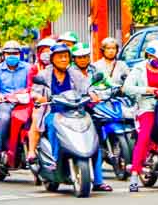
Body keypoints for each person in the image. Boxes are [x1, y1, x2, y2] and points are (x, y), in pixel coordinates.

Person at [26, 43, 112, 192]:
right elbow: (35, 91)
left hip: (76, 113)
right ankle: (54, 160)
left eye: (66, 56)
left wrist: (92, 94)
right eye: (60, 57)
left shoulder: (74, 73)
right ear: (53, 59)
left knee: (93, 138)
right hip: (52, 112)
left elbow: (87, 87)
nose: (63, 59)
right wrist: (37, 97)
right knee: (52, 125)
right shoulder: (45, 74)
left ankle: (98, 180)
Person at [123, 41, 158, 194]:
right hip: (147, 108)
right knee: (144, 137)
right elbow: (126, 88)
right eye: (157, 59)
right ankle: (134, 175)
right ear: (149, 55)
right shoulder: (139, 69)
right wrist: (147, 89)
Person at [0, 41, 30, 160]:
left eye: (15, 53)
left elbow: (32, 87)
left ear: (19, 54)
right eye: (8, 53)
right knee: (5, 119)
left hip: (24, 104)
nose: (12, 56)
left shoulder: (27, 68)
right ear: (3, 55)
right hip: (4, 104)